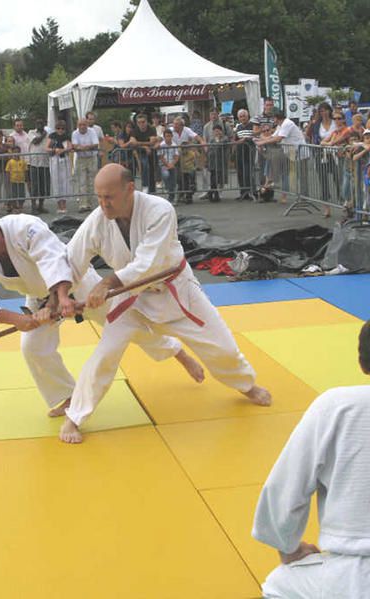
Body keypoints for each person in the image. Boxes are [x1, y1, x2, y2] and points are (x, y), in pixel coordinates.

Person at [59, 164, 272, 443]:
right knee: (106, 351)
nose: (103, 204)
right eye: (98, 197)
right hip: (131, 298)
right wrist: (60, 297)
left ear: (129, 189)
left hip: (174, 290)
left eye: (108, 197)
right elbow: (72, 260)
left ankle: (245, 384)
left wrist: (106, 283)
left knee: (222, 346)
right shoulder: (98, 220)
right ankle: (74, 416)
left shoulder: (159, 210)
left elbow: (149, 263)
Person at [0, 213, 202, 418]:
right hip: (37, 298)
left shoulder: (25, 228)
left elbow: (53, 262)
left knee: (126, 325)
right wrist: (19, 320)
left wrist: (60, 300)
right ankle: (68, 397)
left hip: (75, 282)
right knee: (32, 346)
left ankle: (177, 352)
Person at [252, 320, 370, 599]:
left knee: (278, 585)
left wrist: (287, 546)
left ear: (363, 364)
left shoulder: (337, 405)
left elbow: (284, 487)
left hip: (352, 578)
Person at [172, 116, 205, 203]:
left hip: (187, 157)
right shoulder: (171, 130)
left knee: (189, 175)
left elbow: (196, 136)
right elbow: (161, 137)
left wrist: (202, 142)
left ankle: (189, 194)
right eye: (174, 124)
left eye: (176, 124)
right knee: (180, 177)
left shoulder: (187, 130)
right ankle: (182, 193)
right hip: (176, 156)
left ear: (181, 125)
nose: (174, 126)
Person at [71, 118, 99, 213]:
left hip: (91, 158)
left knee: (91, 181)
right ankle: (83, 204)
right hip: (81, 159)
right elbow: (74, 146)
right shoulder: (75, 133)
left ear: (87, 125)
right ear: (77, 125)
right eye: (80, 125)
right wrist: (85, 147)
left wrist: (83, 147)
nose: (82, 127)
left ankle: (90, 203)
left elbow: (95, 144)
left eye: (84, 124)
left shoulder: (92, 131)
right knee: (81, 181)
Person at [47, 120, 72, 214]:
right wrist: (55, 149)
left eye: (62, 128)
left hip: (64, 159)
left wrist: (63, 150)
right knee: (56, 181)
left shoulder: (67, 136)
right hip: (54, 160)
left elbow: (70, 147)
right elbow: (47, 148)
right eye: (58, 128)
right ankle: (58, 205)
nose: (60, 130)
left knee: (65, 181)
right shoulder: (52, 136)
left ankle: (64, 204)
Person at [131, 113, 159, 193]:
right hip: (140, 152)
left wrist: (139, 143)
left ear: (147, 122)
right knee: (144, 166)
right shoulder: (134, 130)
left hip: (151, 153)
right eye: (139, 122)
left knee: (152, 172)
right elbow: (133, 143)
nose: (141, 124)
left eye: (143, 122)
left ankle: (152, 192)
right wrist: (145, 146)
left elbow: (152, 142)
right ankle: (145, 186)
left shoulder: (152, 129)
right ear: (137, 123)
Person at [27, 119, 50, 215]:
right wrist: (43, 135)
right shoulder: (31, 132)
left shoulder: (48, 133)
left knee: (43, 186)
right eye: (38, 123)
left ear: (44, 124)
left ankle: (41, 205)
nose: (39, 125)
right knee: (34, 186)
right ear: (35, 124)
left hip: (45, 162)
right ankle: (33, 206)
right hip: (34, 163)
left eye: (41, 123)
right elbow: (35, 141)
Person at [234, 109, 256, 201]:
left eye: (244, 116)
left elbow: (255, 137)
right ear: (238, 118)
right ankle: (243, 193)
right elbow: (235, 140)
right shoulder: (238, 127)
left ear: (248, 116)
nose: (243, 118)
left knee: (248, 173)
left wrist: (247, 139)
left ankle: (251, 192)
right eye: (241, 116)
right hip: (239, 152)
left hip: (249, 152)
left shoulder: (252, 126)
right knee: (240, 173)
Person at [158, 129, 179, 204]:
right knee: (166, 175)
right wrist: (167, 164)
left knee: (173, 181)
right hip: (164, 164)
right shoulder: (161, 145)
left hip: (172, 164)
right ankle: (167, 187)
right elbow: (161, 157)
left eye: (169, 136)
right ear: (164, 137)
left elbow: (176, 156)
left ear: (172, 136)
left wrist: (172, 164)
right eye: (166, 136)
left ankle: (172, 197)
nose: (168, 138)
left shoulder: (174, 145)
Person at [4, 145, 27, 213]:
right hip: (13, 181)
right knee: (13, 195)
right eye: (15, 152)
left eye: (17, 152)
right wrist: (8, 180)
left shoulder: (23, 161)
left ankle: (20, 207)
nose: (16, 153)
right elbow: (7, 171)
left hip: (21, 181)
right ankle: (14, 207)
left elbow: (25, 170)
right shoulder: (10, 162)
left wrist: (26, 178)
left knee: (21, 194)